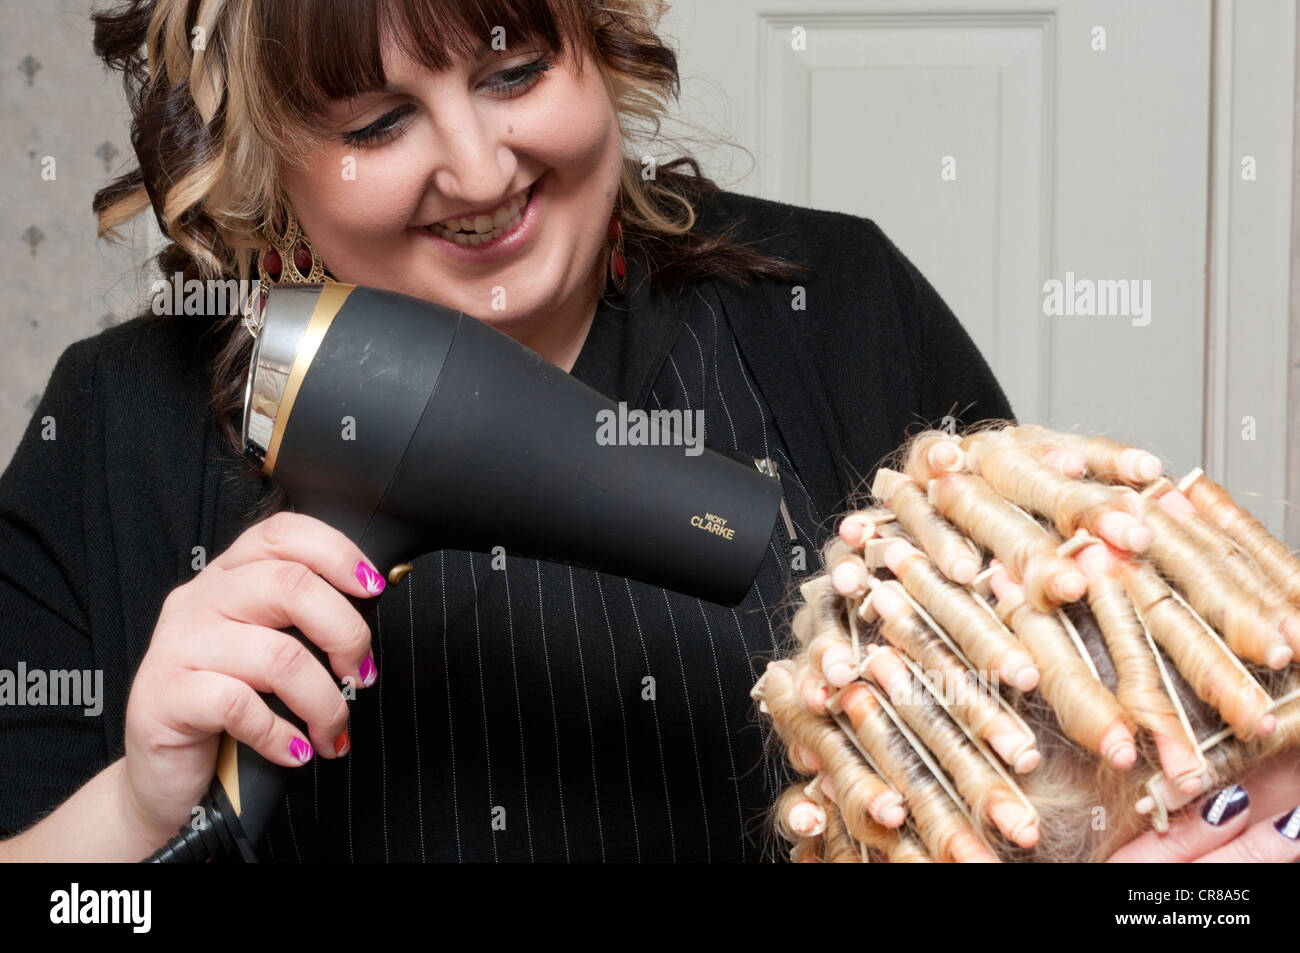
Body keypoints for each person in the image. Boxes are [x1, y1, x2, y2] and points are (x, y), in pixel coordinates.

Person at [0, 0, 1281, 863]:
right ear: (266, 152)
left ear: (597, 44)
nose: (480, 170)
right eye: (378, 123)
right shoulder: (120, 426)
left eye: (514, 72)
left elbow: (1081, 770)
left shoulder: (827, 307)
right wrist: (137, 805)